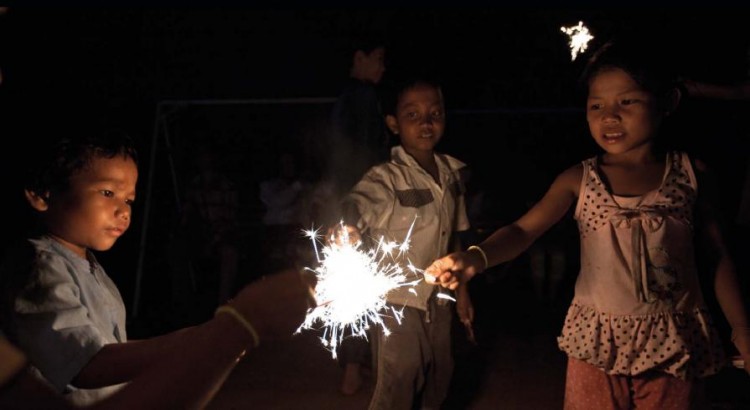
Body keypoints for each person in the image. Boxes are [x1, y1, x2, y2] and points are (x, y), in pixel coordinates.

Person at [426, 38, 750, 409]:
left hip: (674, 344)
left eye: (626, 102)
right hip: (597, 344)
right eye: (597, 105)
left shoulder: (692, 176)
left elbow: (717, 256)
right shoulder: (578, 180)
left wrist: (742, 328)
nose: (609, 116)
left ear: (667, 102)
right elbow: (523, 230)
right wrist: (475, 257)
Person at [0, 132, 314, 407]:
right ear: (42, 194)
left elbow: (109, 351)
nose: (123, 210)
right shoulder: (39, 269)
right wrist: (214, 337)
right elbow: (89, 365)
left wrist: (204, 336)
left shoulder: (90, 268)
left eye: (130, 199)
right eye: (108, 192)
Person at [340, 76, 472, 409]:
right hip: (396, 303)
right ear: (393, 123)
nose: (426, 122)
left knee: (441, 375)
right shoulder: (385, 177)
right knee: (399, 379)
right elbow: (357, 203)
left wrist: (463, 294)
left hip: (440, 300)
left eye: (435, 113)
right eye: (412, 115)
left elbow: (455, 236)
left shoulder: (453, 175)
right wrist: (347, 224)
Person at [327, 36, 390, 395]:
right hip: (359, 204)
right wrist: (360, 209)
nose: (383, 67)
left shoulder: (345, 99)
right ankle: (356, 366)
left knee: (353, 284)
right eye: (378, 58)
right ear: (359, 57)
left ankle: (355, 365)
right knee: (360, 284)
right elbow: (363, 160)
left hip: (345, 202)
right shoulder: (363, 97)